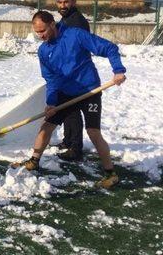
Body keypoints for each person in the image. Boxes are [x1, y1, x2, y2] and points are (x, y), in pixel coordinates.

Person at [14, 11, 126, 189]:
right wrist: (51, 102)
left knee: (93, 132)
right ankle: (34, 160)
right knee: (47, 125)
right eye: (37, 32)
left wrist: (118, 70)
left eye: (43, 30)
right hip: (65, 93)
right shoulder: (44, 51)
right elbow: (50, 79)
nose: (40, 35)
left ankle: (111, 173)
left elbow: (109, 48)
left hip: (89, 91)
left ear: (52, 24)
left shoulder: (76, 35)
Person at [53, 0, 90, 161]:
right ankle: (68, 141)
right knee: (67, 108)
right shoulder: (65, 20)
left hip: (77, 73)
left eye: (66, 2)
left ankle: (76, 148)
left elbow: (76, 49)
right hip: (66, 72)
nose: (62, 5)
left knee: (73, 109)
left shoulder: (77, 22)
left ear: (73, 2)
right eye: (59, 2)